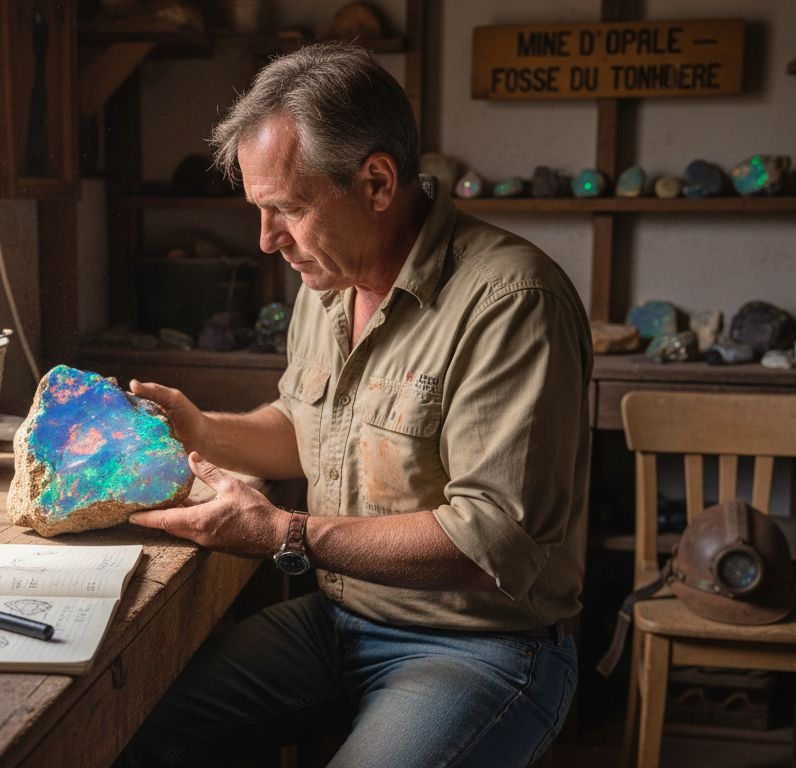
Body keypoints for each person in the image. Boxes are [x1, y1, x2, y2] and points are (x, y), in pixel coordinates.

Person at [118, 41, 592, 768]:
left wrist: (286, 532)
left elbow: (491, 542)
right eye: (259, 210)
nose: (267, 240)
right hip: (340, 620)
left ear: (376, 182)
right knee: (128, 725)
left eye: (287, 210)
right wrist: (201, 427)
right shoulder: (329, 281)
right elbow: (305, 430)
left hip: (485, 646)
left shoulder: (511, 301)